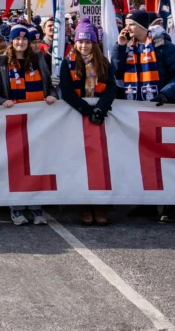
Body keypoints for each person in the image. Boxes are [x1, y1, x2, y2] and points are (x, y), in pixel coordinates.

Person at [113, 10, 175, 223]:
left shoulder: (164, 47)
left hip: (161, 109)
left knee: (165, 159)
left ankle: (168, 205)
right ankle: (147, 203)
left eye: (132, 25)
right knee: (142, 158)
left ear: (144, 27)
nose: (127, 29)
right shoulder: (127, 48)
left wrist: (166, 93)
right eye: (126, 24)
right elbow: (116, 73)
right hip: (136, 111)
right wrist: (119, 47)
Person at [0, 24, 57, 226]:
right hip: (14, 122)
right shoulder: (0, 63)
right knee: (16, 164)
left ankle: (36, 207)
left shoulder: (38, 60)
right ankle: (16, 207)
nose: (20, 42)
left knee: (37, 163)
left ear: (29, 42)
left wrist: (52, 95)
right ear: (11, 41)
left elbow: (49, 85)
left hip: (38, 122)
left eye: (24, 40)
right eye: (16, 39)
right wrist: (1, 100)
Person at [58, 21, 115, 226]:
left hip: (100, 116)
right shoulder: (68, 62)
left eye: (88, 42)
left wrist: (100, 108)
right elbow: (66, 90)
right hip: (77, 115)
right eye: (80, 41)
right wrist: (86, 109)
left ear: (94, 43)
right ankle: (84, 207)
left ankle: (101, 206)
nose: (84, 46)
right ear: (75, 42)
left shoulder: (104, 63)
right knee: (80, 161)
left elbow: (111, 88)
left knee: (101, 162)